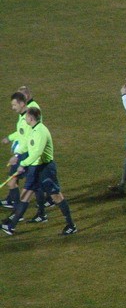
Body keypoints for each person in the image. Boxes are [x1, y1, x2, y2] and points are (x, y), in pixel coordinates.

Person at [2, 107, 77, 236]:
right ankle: (11, 226)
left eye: (26, 116)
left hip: (46, 169)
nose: (24, 118)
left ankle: (71, 225)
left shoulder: (41, 132)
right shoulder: (33, 129)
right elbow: (27, 145)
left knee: (56, 196)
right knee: (25, 194)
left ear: (31, 118)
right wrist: (17, 156)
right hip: (35, 168)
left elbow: (37, 153)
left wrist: (23, 164)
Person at [2, 89, 42, 214]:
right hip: (25, 154)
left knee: (14, 182)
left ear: (22, 103)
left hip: (26, 154)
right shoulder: (23, 117)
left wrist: (17, 155)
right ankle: (39, 212)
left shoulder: (26, 119)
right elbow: (21, 135)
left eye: (14, 105)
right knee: (33, 183)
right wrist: (10, 138)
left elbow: (27, 140)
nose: (12, 108)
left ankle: (18, 212)